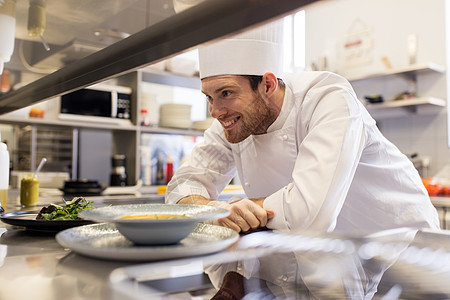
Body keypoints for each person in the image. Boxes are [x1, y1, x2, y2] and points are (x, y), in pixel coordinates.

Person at [165, 21, 440, 236]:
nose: (215, 111)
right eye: (209, 97)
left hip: (402, 254)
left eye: (226, 93)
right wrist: (210, 209)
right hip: (330, 261)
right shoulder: (233, 121)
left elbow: (311, 214)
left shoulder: (328, 98)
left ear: (268, 85)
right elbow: (183, 184)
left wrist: (235, 211)